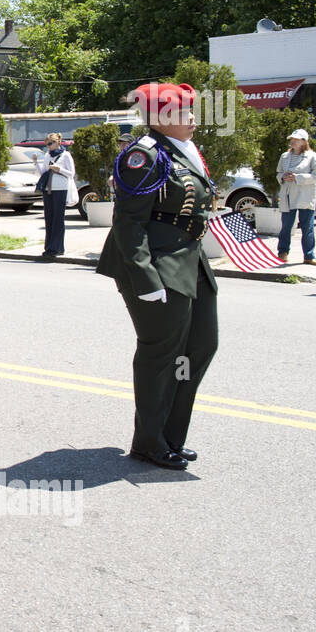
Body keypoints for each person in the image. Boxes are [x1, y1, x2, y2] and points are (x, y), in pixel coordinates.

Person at [96, 82, 217, 470]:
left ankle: (170, 436)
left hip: (189, 263)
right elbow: (129, 224)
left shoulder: (183, 151)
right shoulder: (143, 156)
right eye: (185, 112)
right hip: (155, 268)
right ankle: (149, 442)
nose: (194, 119)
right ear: (162, 117)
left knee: (199, 348)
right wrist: (146, 282)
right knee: (160, 355)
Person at [275, 127, 316, 266]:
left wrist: (298, 178)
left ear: (304, 142)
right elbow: (279, 172)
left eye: (296, 140)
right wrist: (283, 177)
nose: (293, 142)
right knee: (286, 226)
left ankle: (309, 255)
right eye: (292, 140)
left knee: (307, 226)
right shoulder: (285, 156)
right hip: (288, 195)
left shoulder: (312, 156)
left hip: (304, 196)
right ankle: (282, 252)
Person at [32, 132, 77, 258]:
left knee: (58, 219)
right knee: (49, 218)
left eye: (50, 144)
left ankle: (56, 248)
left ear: (58, 142)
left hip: (60, 189)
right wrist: (36, 163)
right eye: (47, 144)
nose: (48, 146)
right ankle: (50, 247)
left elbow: (72, 174)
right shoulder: (47, 155)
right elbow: (44, 172)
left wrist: (59, 169)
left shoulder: (66, 155)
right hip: (48, 189)